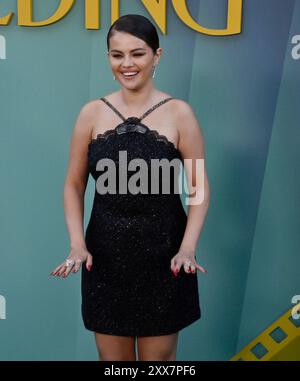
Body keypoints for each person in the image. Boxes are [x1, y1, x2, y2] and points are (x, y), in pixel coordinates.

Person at [50, 14, 210, 361]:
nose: (127, 64)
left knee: (159, 366)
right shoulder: (90, 114)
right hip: (104, 260)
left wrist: (188, 248)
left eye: (137, 54)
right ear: (108, 57)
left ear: (157, 55)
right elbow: (73, 185)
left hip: (166, 259)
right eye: (117, 54)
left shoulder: (181, 114)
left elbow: (198, 188)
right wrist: (77, 244)